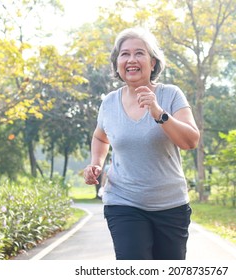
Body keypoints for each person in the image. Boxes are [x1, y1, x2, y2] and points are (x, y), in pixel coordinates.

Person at [83, 27, 200, 260]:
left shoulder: (171, 95)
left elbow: (190, 141)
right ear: (117, 63)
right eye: (124, 54)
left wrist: (158, 112)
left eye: (139, 53)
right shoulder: (109, 103)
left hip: (170, 204)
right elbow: (100, 136)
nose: (131, 59)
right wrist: (95, 163)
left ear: (153, 62)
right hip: (123, 201)